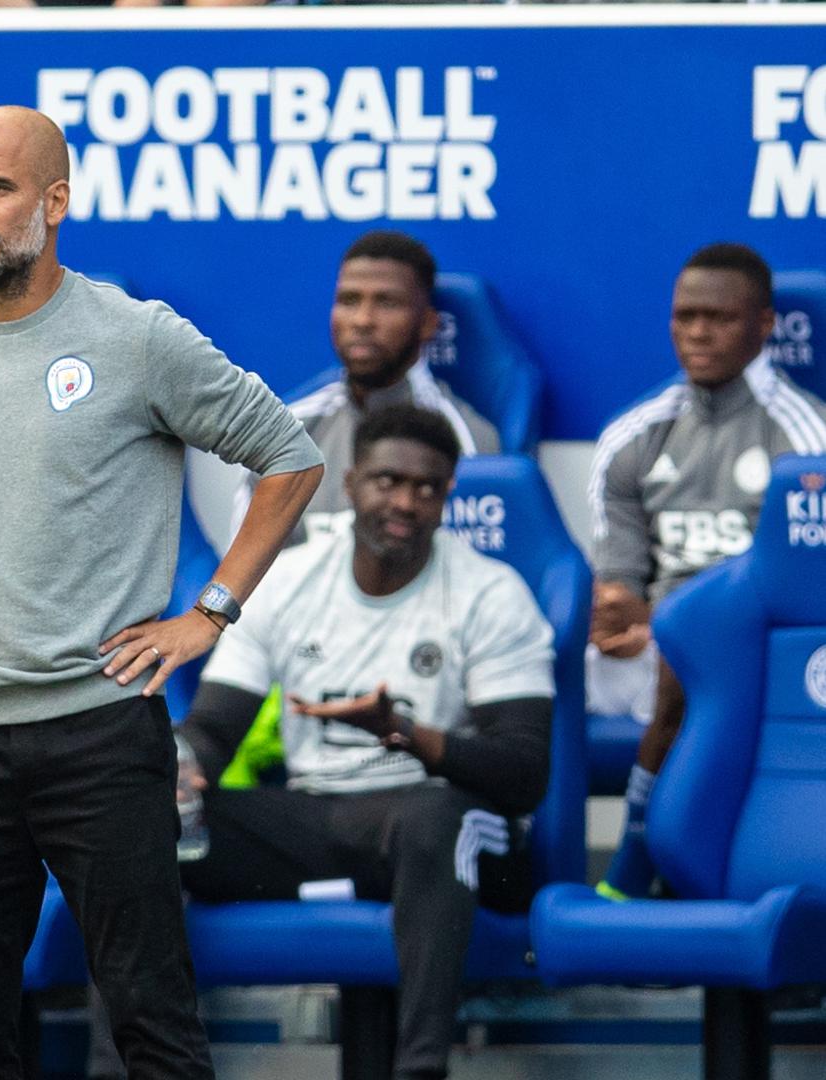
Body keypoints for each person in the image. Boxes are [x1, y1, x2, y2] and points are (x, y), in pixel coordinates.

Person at [0, 104, 323, 1079]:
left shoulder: (137, 337)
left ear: (55, 202)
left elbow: (290, 459)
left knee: (153, 1026)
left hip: (100, 733)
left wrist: (209, 613)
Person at [178, 404, 553, 1080]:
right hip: (316, 818)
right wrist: (183, 766)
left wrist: (404, 733)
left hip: (440, 824)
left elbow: (524, 774)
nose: (404, 501)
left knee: (434, 820)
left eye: (426, 487)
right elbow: (213, 729)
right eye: (387, 481)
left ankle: (420, 1071)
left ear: (447, 496)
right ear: (350, 484)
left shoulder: (490, 595)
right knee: (144, 816)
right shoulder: (286, 581)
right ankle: (132, 1067)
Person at [590, 242, 826, 900]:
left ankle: (637, 858)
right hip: (652, 644)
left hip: (771, 651)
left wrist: (673, 627)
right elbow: (617, 587)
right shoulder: (632, 436)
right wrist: (620, 617)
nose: (697, 332)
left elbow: (809, 592)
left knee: (692, 663)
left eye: (718, 318)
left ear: (764, 325)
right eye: (684, 316)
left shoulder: (808, 440)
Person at [231, 230, 499, 544]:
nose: (362, 320)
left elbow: (466, 566)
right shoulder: (285, 431)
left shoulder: (465, 439)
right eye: (349, 300)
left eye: (386, 303)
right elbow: (243, 567)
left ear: (428, 324)